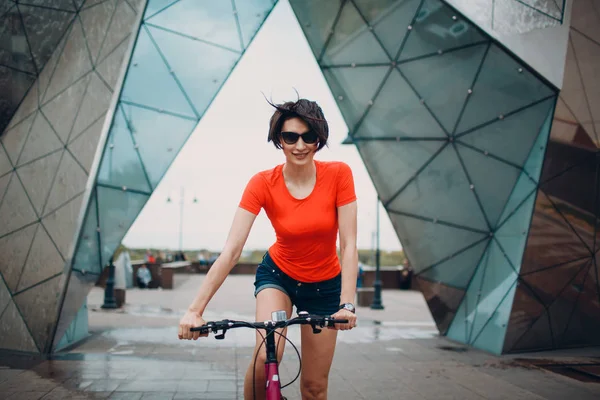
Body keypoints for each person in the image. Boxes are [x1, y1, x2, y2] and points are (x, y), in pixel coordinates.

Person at [178, 98, 358, 399]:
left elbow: (349, 245)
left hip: (326, 287)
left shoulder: (339, 174)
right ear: (279, 140)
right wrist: (194, 310)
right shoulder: (262, 183)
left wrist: (347, 304)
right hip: (279, 276)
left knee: (314, 388)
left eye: (309, 136)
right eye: (290, 137)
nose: (300, 145)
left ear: (319, 139)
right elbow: (232, 251)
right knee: (265, 357)